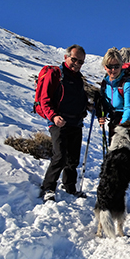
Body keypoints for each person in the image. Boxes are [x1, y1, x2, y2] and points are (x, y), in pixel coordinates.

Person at [96, 47, 130, 215]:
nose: (112, 70)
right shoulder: (105, 82)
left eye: (116, 66)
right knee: (113, 162)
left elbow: (129, 107)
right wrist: (101, 115)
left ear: (121, 66)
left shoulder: (128, 83)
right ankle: (115, 198)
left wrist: (122, 128)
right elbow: (105, 104)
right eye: (109, 67)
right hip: (115, 122)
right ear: (105, 66)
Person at [39, 44, 89, 202]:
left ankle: (70, 187)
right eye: (74, 60)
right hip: (58, 121)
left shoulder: (79, 79)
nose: (77, 64)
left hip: (76, 123)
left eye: (80, 62)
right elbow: (44, 100)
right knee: (60, 156)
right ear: (65, 57)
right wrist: (53, 117)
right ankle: (48, 187)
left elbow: (79, 100)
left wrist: (88, 107)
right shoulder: (55, 74)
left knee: (73, 159)